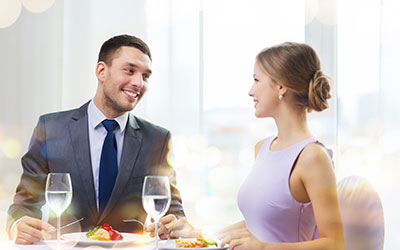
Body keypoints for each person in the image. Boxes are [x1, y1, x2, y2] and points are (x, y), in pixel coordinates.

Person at [150, 42, 344, 250]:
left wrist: (263, 248)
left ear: (281, 86)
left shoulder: (313, 157)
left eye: (256, 80)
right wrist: (197, 234)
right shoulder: (262, 148)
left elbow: (334, 244)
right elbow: (260, 225)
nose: (251, 91)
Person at [7, 34, 185, 244]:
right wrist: (17, 226)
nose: (138, 83)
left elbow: (173, 212)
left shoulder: (158, 139)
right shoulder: (51, 128)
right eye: (130, 70)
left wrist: (173, 226)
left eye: (145, 76)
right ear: (101, 71)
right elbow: (24, 205)